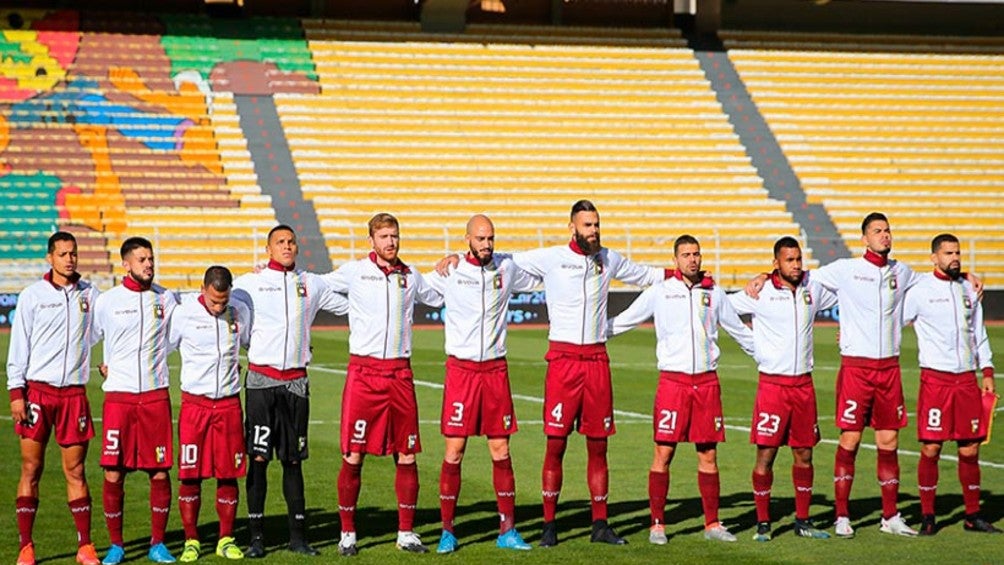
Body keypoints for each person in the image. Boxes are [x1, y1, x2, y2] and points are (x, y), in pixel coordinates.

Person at [439, 200, 669, 546]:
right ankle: (548, 526)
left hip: (596, 359)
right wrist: (456, 258)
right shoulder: (550, 257)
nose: (593, 231)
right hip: (561, 360)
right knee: (555, 444)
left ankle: (600, 524)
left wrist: (616, 324)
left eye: (596, 225)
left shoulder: (610, 258)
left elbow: (650, 276)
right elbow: (503, 259)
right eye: (587, 225)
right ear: (572, 226)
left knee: (598, 446)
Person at [746, 212, 979, 537]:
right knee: (851, 439)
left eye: (887, 231)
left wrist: (966, 274)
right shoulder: (846, 270)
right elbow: (797, 274)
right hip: (857, 368)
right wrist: (762, 274)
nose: (885, 236)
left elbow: (939, 275)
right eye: (877, 231)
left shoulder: (903, 272)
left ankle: (890, 515)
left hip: (889, 369)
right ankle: (842, 515)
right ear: (864, 238)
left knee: (889, 440)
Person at [608, 234, 755, 544]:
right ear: (675, 260)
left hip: (706, 382)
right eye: (686, 254)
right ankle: (657, 525)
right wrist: (590, 334)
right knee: (663, 452)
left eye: (696, 254)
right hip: (673, 383)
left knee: (708, 454)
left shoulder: (713, 292)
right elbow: (625, 320)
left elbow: (738, 330)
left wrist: (767, 355)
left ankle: (712, 524)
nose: (693, 259)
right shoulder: (660, 291)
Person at [323, 213, 444, 556]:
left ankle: (406, 532)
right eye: (384, 236)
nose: (391, 242)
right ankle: (347, 533)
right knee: (354, 453)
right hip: (364, 375)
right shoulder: (355, 271)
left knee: (406, 454)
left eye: (395, 236)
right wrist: (350, 310)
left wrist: (454, 262)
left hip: (401, 375)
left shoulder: (410, 275)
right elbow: (316, 288)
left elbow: (437, 293)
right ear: (371, 241)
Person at [423, 215, 540, 554]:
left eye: (490, 238)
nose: (486, 244)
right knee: (454, 451)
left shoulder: (507, 267)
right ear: (467, 239)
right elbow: (413, 286)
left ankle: (508, 529)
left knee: (501, 450)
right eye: (480, 238)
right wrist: (447, 259)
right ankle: (447, 530)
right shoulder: (452, 272)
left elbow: (547, 268)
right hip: (461, 372)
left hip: (495, 372)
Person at [231, 225, 349, 558]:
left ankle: (298, 537)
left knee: (293, 460)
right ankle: (256, 538)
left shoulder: (311, 283)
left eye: (291, 242)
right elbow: (219, 305)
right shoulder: (248, 283)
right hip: (261, 383)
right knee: (258, 459)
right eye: (280, 242)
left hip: (296, 383)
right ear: (268, 250)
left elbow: (351, 307)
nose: (287, 246)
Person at [728, 237, 836, 541]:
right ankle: (763, 522)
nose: (797, 265)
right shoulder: (760, 292)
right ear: (776, 262)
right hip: (773, 386)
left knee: (805, 454)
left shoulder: (812, 288)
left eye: (799, 259)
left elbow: (852, 294)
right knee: (766, 454)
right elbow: (722, 308)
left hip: (804, 385)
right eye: (789, 260)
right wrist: (752, 346)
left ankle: (803, 520)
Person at [6, 232, 101, 565]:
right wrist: (17, 393)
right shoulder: (33, 296)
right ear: (50, 257)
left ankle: (85, 546)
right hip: (38, 393)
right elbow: (19, 345)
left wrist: (108, 360)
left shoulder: (91, 294)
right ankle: (26, 547)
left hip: (74, 394)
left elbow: (105, 331)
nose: (69, 259)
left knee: (75, 471)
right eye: (62, 254)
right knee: (32, 467)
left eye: (73, 253)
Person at [903, 233, 1000, 535]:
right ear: (934, 257)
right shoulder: (919, 290)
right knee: (931, 448)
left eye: (957, 253)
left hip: (967, 381)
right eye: (948, 253)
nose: (954, 258)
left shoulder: (969, 290)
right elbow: (892, 321)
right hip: (936, 380)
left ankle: (973, 515)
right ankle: (928, 515)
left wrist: (986, 371)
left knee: (970, 449)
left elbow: (978, 332)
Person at [93, 237, 180, 564]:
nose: (149, 264)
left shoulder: (167, 299)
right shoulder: (108, 301)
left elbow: (205, 302)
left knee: (159, 472)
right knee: (113, 472)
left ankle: (158, 543)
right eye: (142, 259)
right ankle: (116, 544)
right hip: (119, 398)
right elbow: (89, 337)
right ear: (126, 263)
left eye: (151, 259)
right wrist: (105, 363)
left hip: (155, 397)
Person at [169, 266, 252, 561]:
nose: (219, 307)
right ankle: (191, 539)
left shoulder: (240, 310)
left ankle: (226, 538)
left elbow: (250, 344)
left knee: (228, 473)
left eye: (223, 301)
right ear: (203, 289)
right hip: (195, 405)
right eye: (214, 301)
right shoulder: (183, 314)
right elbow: (159, 348)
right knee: (190, 475)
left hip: (229, 404)